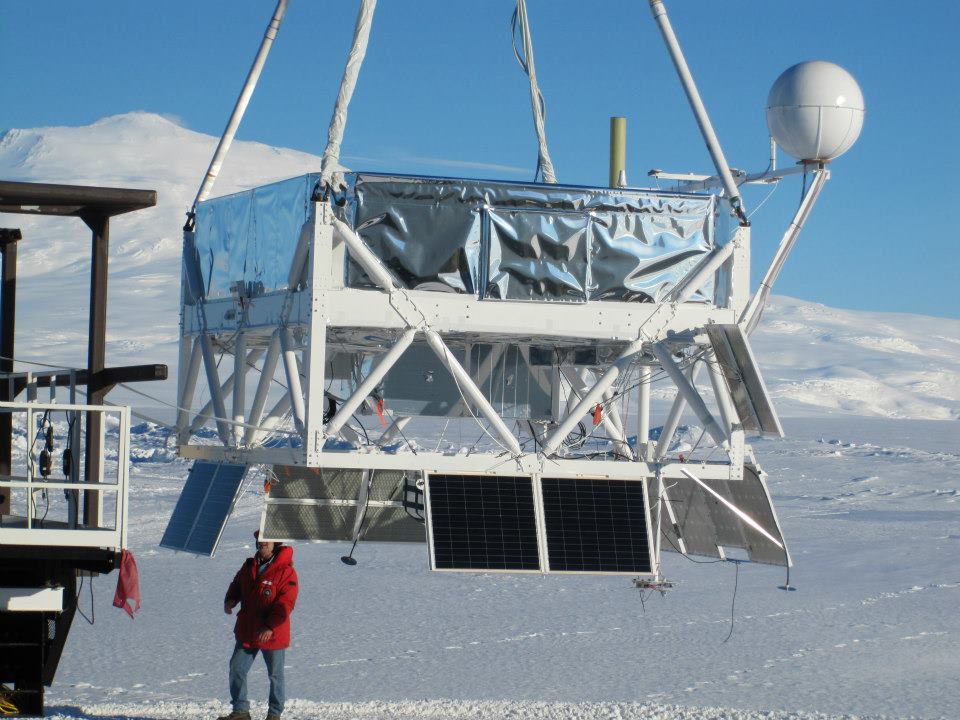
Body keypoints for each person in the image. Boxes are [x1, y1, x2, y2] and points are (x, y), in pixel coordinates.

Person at [217, 531, 299, 720]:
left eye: (266, 540)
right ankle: (240, 712)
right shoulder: (249, 566)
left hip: (273, 633)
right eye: (259, 539)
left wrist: (270, 626)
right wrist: (230, 600)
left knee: (275, 675)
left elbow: (286, 603)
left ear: (275, 543)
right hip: (248, 629)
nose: (262, 542)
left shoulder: (286, 571)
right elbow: (237, 584)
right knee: (237, 668)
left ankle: (274, 714)